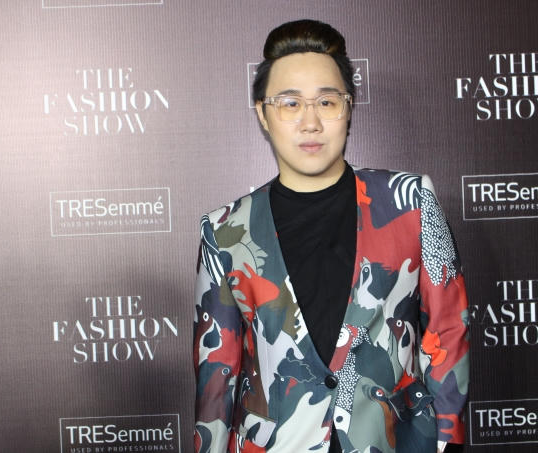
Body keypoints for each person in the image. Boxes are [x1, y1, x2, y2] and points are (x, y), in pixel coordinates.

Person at [194, 19, 469, 453]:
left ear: (349, 107)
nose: (310, 122)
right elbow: (216, 376)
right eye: (290, 103)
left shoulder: (410, 202)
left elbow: (448, 330)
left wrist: (447, 444)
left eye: (326, 101)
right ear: (263, 113)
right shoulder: (224, 231)